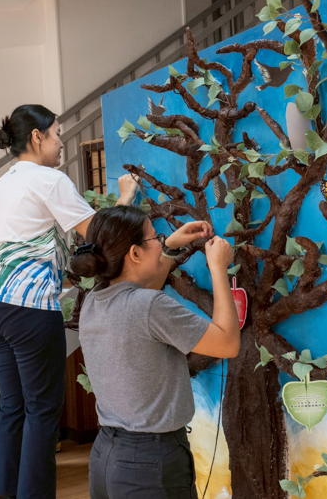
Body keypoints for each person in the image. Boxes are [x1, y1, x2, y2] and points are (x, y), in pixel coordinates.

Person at [0, 104, 137, 499]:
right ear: (37, 137)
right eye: (58, 133)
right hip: (27, 308)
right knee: (43, 412)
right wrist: (126, 196)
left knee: (12, 408)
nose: (62, 142)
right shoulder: (48, 179)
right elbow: (97, 234)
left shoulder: (0, 187)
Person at [70, 205, 241, 499]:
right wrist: (217, 268)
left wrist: (171, 246)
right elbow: (227, 343)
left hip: (106, 457)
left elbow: (142, 299)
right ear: (135, 254)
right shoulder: (148, 307)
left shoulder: (94, 301)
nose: (160, 242)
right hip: (150, 463)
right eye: (155, 238)